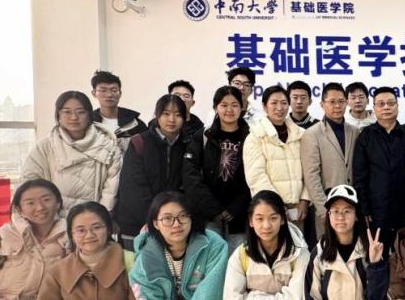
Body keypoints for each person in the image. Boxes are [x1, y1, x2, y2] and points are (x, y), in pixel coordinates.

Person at [22, 91, 122, 211]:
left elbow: (111, 191)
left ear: (89, 115)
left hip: (95, 217)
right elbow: (29, 186)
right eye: (67, 112)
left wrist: (101, 216)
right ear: (58, 115)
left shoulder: (107, 145)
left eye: (81, 112)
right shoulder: (44, 147)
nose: (74, 117)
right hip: (54, 218)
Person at [114, 94, 191, 249]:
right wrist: (156, 220)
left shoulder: (188, 145)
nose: (172, 119)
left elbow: (187, 186)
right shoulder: (139, 142)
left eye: (178, 115)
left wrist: (170, 220)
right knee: (137, 264)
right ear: (157, 115)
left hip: (173, 227)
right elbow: (133, 189)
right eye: (166, 114)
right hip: (137, 225)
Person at [183, 85, 251, 253]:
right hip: (208, 214)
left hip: (240, 215)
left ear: (241, 108)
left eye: (234, 105)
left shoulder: (251, 137)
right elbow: (190, 175)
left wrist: (236, 207)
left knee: (238, 260)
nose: (229, 110)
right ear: (215, 108)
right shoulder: (202, 137)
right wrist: (214, 209)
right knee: (211, 259)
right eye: (224, 105)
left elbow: (254, 175)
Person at [352, 86, 405, 251]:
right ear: (374, 108)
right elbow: (360, 176)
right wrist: (364, 208)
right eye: (381, 104)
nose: (386, 107)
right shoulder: (365, 136)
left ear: (398, 106)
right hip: (376, 210)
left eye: (390, 103)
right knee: (376, 255)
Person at [243, 85, 312, 237]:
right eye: (274, 103)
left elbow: (310, 170)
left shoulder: (301, 135)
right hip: (269, 211)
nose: (279, 108)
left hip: (297, 210)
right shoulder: (255, 136)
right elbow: (256, 176)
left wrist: (304, 200)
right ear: (264, 106)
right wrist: (276, 206)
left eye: (284, 103)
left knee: (297, 248)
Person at [302, 82, 360, 236]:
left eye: (341, 101)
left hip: (352, 205)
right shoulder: (312, 134)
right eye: (332, 102)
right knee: (328, 248)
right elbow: (311, 175)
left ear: (347, 103)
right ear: (322, 104)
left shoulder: (355, 131)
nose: (337, 106)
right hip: (328, 206)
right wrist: (323, 209)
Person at [90, 70, 146, 148]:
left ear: (120, 94)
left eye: (114, 90)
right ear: (94, 93)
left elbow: (146, 150)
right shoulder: (88, 123)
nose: (109, 95)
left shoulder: (135, 124)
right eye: (103, 90)